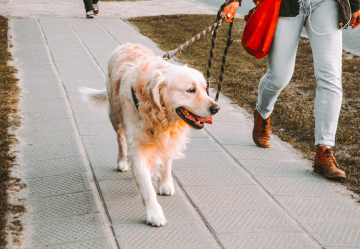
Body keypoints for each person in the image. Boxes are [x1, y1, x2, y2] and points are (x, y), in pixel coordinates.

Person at [222, 0, 360, 179]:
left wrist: (355, 5)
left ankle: (324, 149)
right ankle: (262, 112)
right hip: (287, 4)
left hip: (326, 4)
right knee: (279, 76)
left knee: (330, 77)